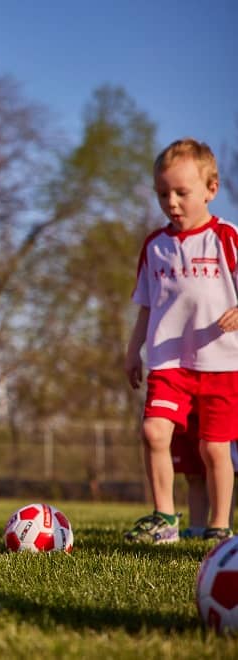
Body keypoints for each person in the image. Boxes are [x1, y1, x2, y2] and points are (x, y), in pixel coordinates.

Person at [124, 137, 238, 544]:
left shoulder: (227, 238)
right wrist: (132, 351)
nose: (171, 202)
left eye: (181, 192)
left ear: (211, 189)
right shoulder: (155, 247)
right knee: (155, 433)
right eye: (162, 194)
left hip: (221, 365)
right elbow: (145, 305)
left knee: (213, 451)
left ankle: (218, 527)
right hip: (168, 364)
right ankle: (165, 520)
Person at [171, 415, 238, 538]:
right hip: (190, 411)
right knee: (193, 474)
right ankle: (197, 529)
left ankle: (223, 528)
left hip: (217, 407)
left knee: (219, 466)